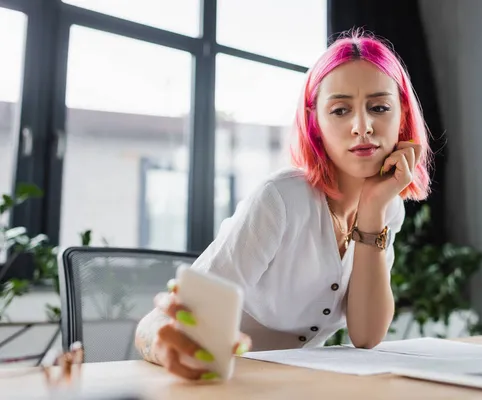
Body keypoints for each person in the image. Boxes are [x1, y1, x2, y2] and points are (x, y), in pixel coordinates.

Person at [134, 29, 432, 381]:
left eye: (379, 107)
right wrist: (160, 342)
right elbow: (160, 321)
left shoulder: (387, 206)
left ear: (402, 118)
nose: (362, 127)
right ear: (315, 123)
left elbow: (366, 336)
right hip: (226, 382)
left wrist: (372, 211)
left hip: (300, 383)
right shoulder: (280, 199)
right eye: (340, 110)